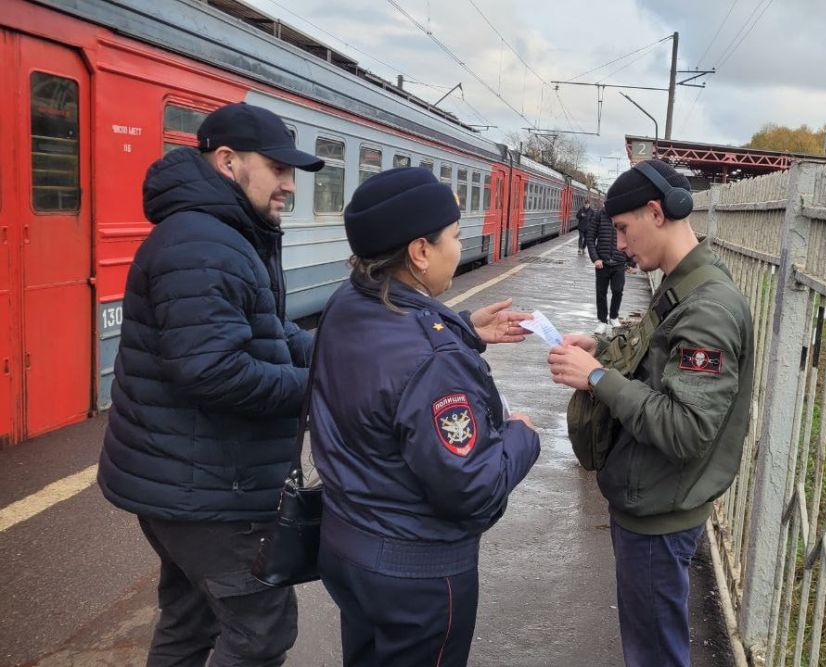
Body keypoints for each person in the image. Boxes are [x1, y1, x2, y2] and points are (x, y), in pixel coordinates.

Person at [98, 102, 325, 666]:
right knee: (260, 635)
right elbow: (213, 370)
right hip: (212, 492)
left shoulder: (224, 234)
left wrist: (366, 353)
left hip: (189, 480)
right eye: (278, 168)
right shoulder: (204, 244)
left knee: (189, 623)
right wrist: (319, 389)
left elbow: (274, 336)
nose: (290, 185)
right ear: (228, 162)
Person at [310, 167, 541, 667]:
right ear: (419, 252)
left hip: (347, 545)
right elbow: (472, 488)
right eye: (454, 237)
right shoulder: (433, 355)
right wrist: (523, 436)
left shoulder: (348, 302)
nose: (460, 247)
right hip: (416, 573)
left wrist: (462, 330)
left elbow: (392, 362)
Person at [547, 159, 754, 667]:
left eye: (622, 228)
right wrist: (599, 347)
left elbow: (686, 428)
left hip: (660, 515)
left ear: (655, 213)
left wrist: (598, 377)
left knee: (655, 655)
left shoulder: (707, 307)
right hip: (652, 500)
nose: (617, 244)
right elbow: (655, 357)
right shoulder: (684, 282)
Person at [586, 203, 628, 334]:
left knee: (618, 290)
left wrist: (631, 261)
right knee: (601, 293)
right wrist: (595, 258)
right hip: (602, 263)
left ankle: (614, 316)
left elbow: (632, 238)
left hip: (619, 262)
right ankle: (602, 321)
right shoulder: (599, 216)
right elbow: (590, 238)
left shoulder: (625, 217)